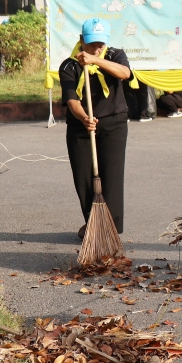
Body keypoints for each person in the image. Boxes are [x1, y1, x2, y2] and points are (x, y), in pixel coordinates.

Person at [59, 18, 131, 239]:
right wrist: (84, 118)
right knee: (84, 177)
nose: (97, 49)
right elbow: (72, 101)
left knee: (111, 176)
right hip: (81, 126)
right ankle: (93, 222)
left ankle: (111, 229)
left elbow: (125, 73)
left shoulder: (115, 55)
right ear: (81, 39)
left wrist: (95, 60)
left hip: (114, 123)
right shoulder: (69, 65)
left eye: (101, 45)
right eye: (92, 45)